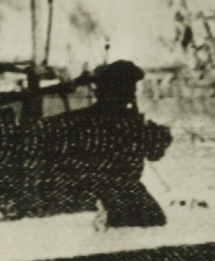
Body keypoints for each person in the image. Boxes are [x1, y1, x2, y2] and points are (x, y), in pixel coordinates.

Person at [27, 60, 172, 227]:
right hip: (101, 192)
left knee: (151, 220)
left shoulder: (123, 122)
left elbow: (153, 153)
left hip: (113, 191)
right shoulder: (96, 121)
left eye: (132, 88)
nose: (131, 93)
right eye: (127, 87)